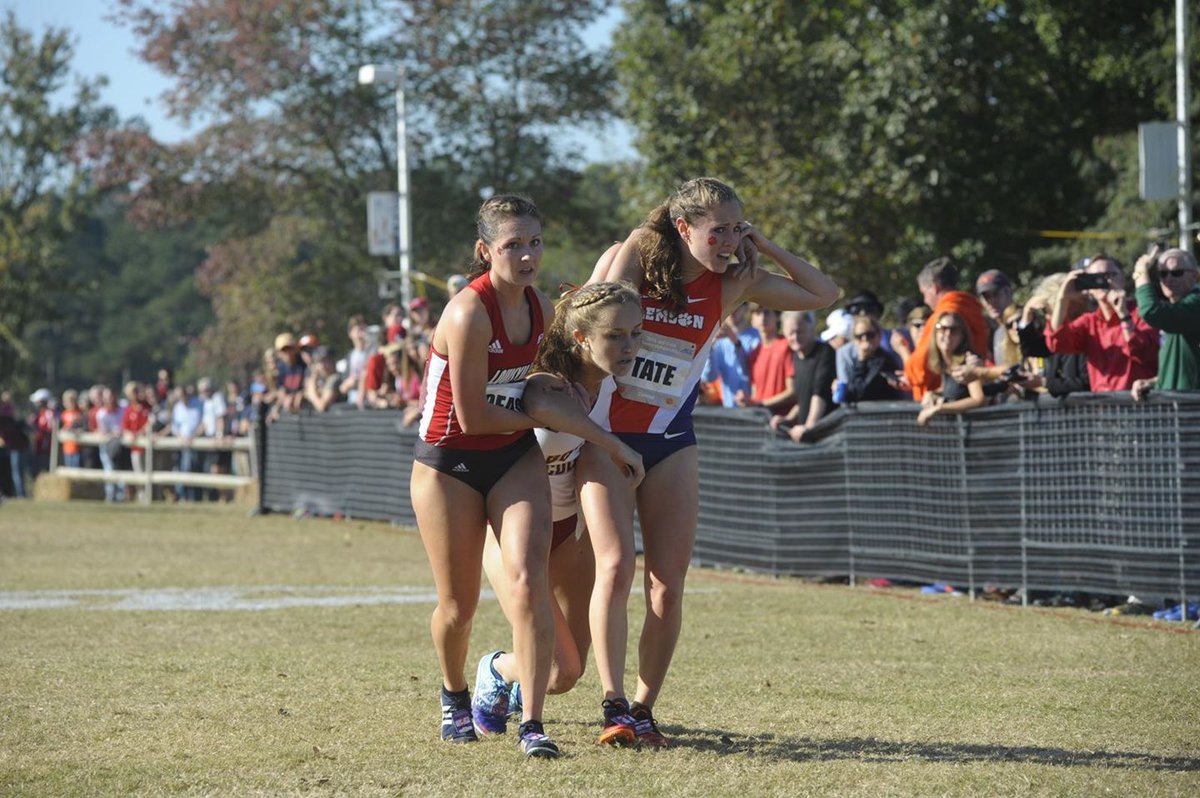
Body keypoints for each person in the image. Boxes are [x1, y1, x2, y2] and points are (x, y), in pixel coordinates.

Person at [584, 177, 838, 746]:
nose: (729, 239)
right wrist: (625, 256)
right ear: (683, 229)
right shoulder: (635, 262)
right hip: (604, 436)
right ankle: (613, 702)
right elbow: (590, 320)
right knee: (616, 567)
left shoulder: (734, 282)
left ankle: (643, 709)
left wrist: (764, 246)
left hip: (671, 438)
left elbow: (823, 295)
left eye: (736, 227)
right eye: (717, 229)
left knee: (667, 585)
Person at [409, 194, 565, 758]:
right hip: (449, 462)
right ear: (485, 251)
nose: (527, 256)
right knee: (459, 606)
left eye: (535, 243)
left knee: (528, 582)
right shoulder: (467, 312)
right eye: (513, 245)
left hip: (514, 454)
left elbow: (543, 385)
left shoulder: (542, 307)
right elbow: (472, 415)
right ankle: (454, 696)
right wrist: (543, 412)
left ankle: (533, 725)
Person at [471, 282, 645, 736]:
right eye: (615, 336)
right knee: (554, 668)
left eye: (636, 333)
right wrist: (615, 446)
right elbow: (539, 404)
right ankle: (497, 669)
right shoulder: (548, 379)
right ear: (582, 338)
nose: (629, 346)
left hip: (567, 534)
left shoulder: (614, 385)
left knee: (568, 674)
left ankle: (539, 677)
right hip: (512, 533)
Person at [1044, 253, 1158, 392]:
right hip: (1103, 407)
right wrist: (1063, 299)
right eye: (1096, 278)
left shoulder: (1142, 313)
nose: (1105, 281)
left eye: (1111, 275)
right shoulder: (1089, 322)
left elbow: (1146, 354)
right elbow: (1056, 342)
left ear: (1123, 278)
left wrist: (1123, 314)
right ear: (1089, 289)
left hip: (1138, 404)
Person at [904, 257, 990, 400]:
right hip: (968, 390)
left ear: (935, 287)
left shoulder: (942, 318)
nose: (925, 300)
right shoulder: (974, 310)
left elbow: (920, 372)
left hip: (954, 402)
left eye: (924, 293)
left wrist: (903, 351)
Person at [1132, 247, 1200, 399]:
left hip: (1193, 410)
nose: (1168, 279)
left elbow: (1150, 310)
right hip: (1176, 409)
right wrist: (1154, 382)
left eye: (1176, 273)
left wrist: (1140, 272)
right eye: (1162, 274)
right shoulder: (1174, 313)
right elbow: (1184, 369)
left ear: (1194, 276)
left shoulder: (1196, 303)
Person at [771, 310, 837, 441]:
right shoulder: (795, 357)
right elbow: (803, 398)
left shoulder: (825, 352)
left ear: (812, 330)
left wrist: (809, 426)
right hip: (804, 434)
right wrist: (788, 418)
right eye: (790, 333)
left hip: (827, 434)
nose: (795, 337)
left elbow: (820, 393)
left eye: (799, 331)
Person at [917, 312, 986, 426]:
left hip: (975, 430)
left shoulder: (969, 361)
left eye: (954, 330)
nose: (948, 334)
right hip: (957, 432)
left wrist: (938, 408)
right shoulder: (946, 362)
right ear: (935, 333)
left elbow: (978, 399)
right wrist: (932, 393)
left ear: (962, 336)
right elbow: (951, 388)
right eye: (942, 328)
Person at [700, 303, 758, 407]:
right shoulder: (718, 341)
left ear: (745, 309)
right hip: (729, 409)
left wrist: (735, 341)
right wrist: (709, 348)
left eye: (736, 306)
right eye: (729, 306)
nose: (732, 311)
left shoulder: (757, 337)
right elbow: (710, 378)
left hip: (754, 408)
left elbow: (750, 370)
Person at [843, 315, 905, 403]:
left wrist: (861, 361)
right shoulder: (855, 359)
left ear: (879, 335)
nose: (865, 339)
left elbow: (860, 393)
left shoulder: (883, 360)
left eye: (869, 335)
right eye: (859, 336)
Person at [976, 269, 1015, 361]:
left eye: (996, 294)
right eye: (986, 297)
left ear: (1008, 292)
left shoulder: (1024, 323)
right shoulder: (989, 330)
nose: (991, 301)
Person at [59, 390, 85, 468]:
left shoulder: (80, 413)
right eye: (66, 401)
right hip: (67, 447)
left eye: (72, 401)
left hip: (77, 447)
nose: (69, 404)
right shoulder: (64, 414)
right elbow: (62, 428)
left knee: (76, 469)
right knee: (68, 468)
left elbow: (83, 427)